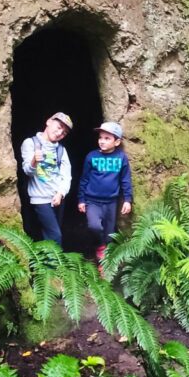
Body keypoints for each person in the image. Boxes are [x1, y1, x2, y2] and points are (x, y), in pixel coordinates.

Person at [77, 121, 133, 264]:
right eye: (101, 137)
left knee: (109, 233)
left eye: (107, 138)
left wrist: (127, 199)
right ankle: (100, 247)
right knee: (94, 226)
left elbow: (125, 179)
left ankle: (105, 262)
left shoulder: (121, 158)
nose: (102, 141)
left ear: (117, 142)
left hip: (111, 202)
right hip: (92, 200)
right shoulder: (91, 156)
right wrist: (81, 199)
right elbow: (84, 179)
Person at [20, 112, 73, 247]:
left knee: (49, 235)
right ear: (49, 121)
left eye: (64, 132)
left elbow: (66, 176)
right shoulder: (30, 143)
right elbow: (27, 171)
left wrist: (60, 193)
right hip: (40, 198)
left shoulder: (61, 150)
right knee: (55, 235)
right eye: (59, 126)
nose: (60, 132)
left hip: (58, 199)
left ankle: (44, 266)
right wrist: (34, 161)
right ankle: (54, 267)